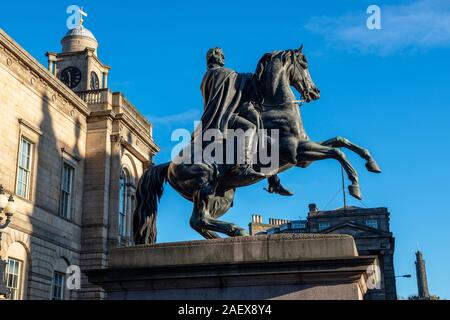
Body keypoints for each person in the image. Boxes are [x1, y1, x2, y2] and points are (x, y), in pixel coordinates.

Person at [199, 47, 293, 195]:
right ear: (212, 57)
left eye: (223, 55)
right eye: (220, 55)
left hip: (222, 115)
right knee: (249, 128)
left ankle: (272, 176)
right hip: (222, 118)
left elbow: (231, 91)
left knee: (259, 125)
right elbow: (238, 82)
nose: (223, 57)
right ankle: (241, 166)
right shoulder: (219, 73)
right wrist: (259, 73)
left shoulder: (210, 75)